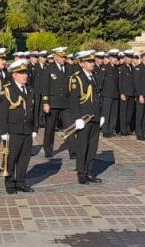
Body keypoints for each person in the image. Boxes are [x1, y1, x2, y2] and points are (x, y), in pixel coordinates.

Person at [0, 58, 37, 194]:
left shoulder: (30, 90)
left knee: (24, 158)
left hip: (27, 129)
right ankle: (9, 184)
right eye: (21, 73)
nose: (24, 75)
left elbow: (34, 111)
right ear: (14, 75)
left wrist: (35, 128)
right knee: (11, 158)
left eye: (25, 72)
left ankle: (21, 182)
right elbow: (2, 113)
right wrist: (4, 131)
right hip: (13, 130)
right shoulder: (7, 90)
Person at [67, 51, 105, 184]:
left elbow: (98, 97)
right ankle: (81, 173)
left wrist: (101, 115)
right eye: (89, 62)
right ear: (81, 63)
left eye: (92, 61)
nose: (92, 64)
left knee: (93, 147)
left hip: (94, 116)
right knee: (83, 146)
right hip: (84, 118)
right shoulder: (76, 78)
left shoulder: (94, 76)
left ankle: (89, 171)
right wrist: (77, 118)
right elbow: (74, 100)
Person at [38, 47, 72, 158]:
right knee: (50, 127)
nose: (63, 59)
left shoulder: (68, 68)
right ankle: (48, 149)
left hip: (66, 103)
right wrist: (46, 102)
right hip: (53, 102)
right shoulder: (49, 69)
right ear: (56, 57)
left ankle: (73, 150)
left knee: (70, 127)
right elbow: (44, 86)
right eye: (61, 57)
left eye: (64, 57)